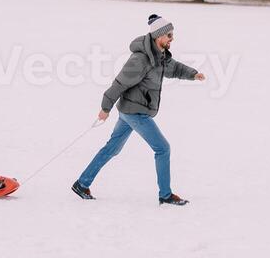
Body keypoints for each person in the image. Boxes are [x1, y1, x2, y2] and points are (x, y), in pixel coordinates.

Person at [72, 14, 206, 205]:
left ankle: (82, 183)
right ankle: (166, 195)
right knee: (162, 148)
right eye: (169, 35)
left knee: (112, 149)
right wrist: (105, 107)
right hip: (135, 112)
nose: (172, 38)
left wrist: (193, 74)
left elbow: (173, 68)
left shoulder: (159, 56)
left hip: (131, 110)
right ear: (158, 36)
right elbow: (119, 83)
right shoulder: (140, 59)